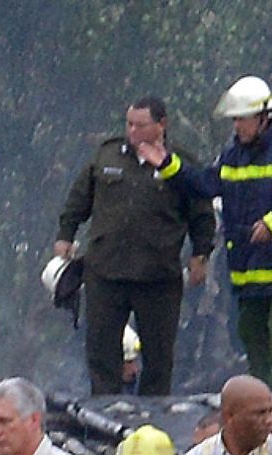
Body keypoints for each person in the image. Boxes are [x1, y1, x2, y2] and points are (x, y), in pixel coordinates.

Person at [137, 76, 272, 404]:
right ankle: (264, 416)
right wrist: (168, 165)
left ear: (264, 118)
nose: (237, 126)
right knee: (253, 347)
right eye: (234, 120)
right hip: (248, 275)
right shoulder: (232, 157)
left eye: (242, 119)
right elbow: (205, 184)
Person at [55, 97, 215, 396]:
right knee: (101, 352)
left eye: (140, 125)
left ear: (161, 125)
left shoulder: (180, 164)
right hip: (105, 271)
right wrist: (66, 234)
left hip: (157, 276)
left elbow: (202, 214)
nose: (133, 131)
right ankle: (105, 411)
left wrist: (200, 254)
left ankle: (154, 419)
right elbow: (79, 199)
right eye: (129, 124)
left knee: (158, 357)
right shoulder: (107, 156)